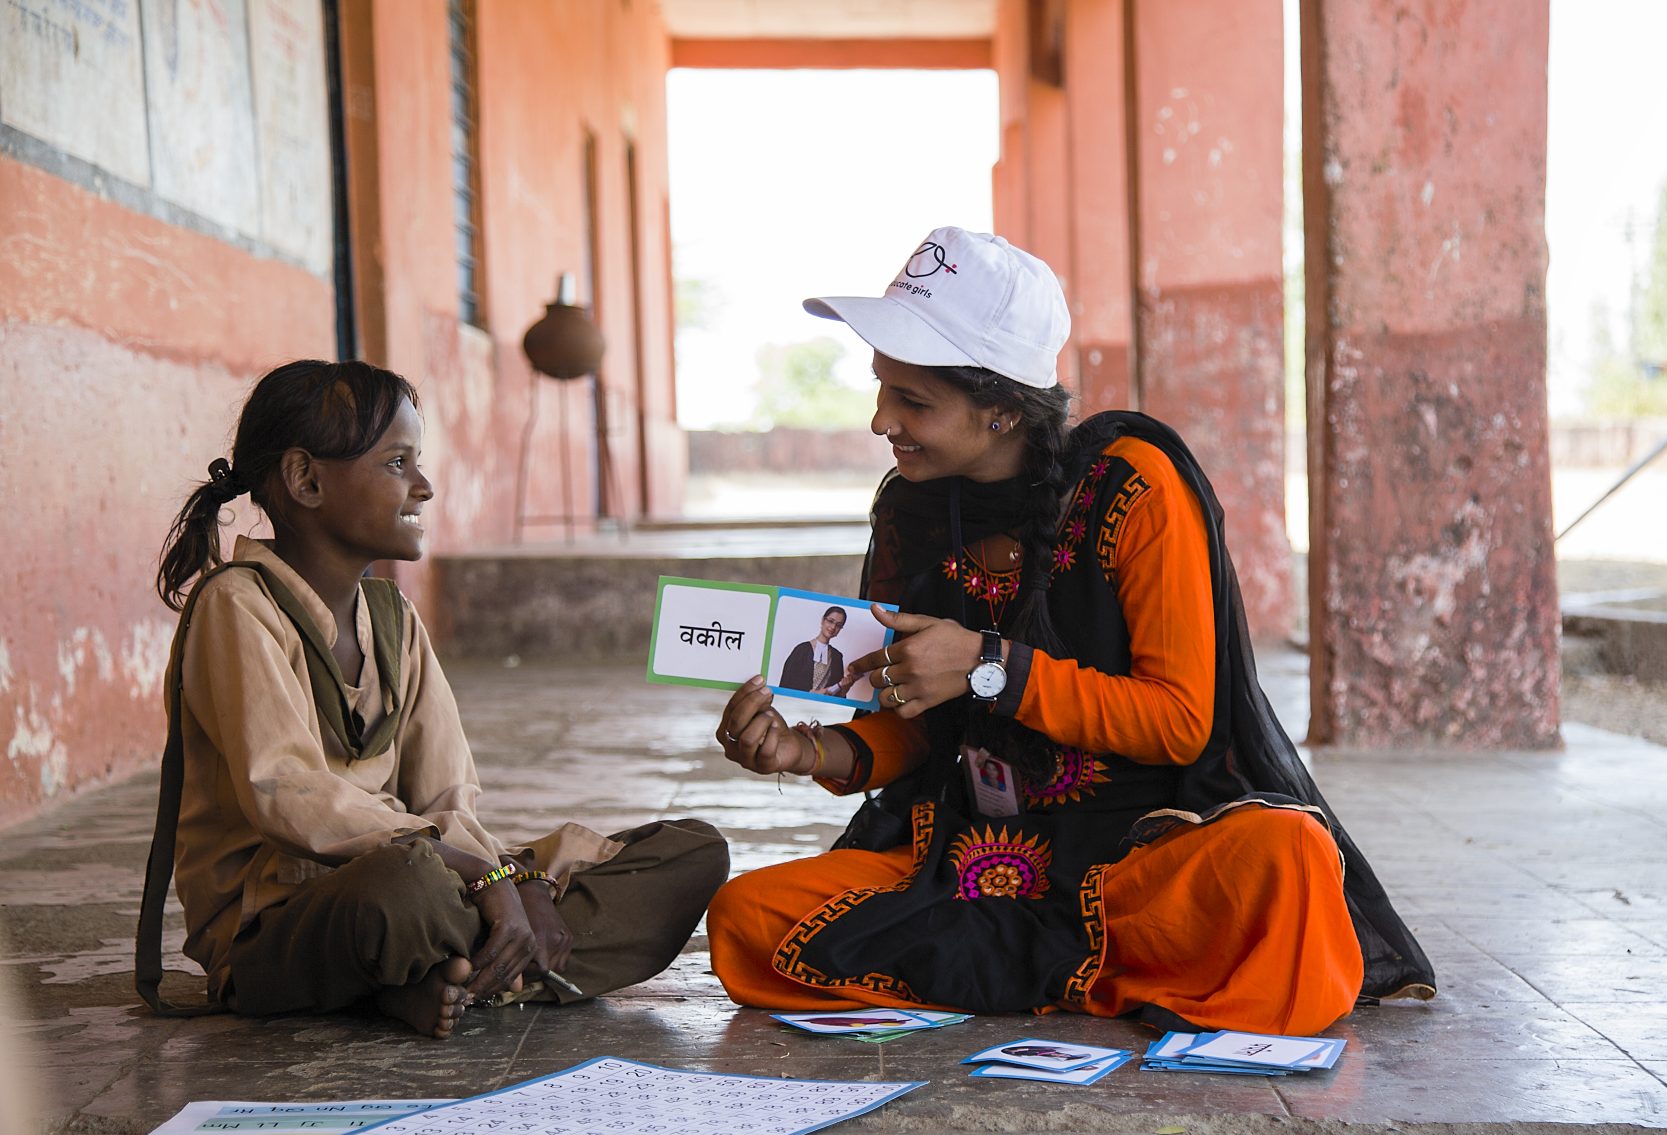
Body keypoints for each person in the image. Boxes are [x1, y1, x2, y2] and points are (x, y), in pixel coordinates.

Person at [707, 227, 1434, 1036]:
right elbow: (918, 731)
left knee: (1288, 862)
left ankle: (1021, 969)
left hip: (1141, 859)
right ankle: (1115, 977)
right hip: (979, 858)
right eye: (882, 389)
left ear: (1003, 409)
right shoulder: (912, 507)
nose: (883, 422)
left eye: (914, 401)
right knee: (746, 915)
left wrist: (991, 666)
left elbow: (1180, 722)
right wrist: (803, 752)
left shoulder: (1135, 486)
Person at [137, 359, 728, 1038]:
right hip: (287, 921)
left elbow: (449, 799)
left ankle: (446, 974)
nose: (424, 487)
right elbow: (286, 796)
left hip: (431, 879)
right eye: (397, 464)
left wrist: (511, 878)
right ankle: (499, 966)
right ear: (306, 480)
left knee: (691, 851)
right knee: (402, 888)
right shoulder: (237, 604)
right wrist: (485, 878)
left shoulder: (393, 619)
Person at [777, 606, 854, 696]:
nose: (833, 627)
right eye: (830, 621)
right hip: (796, 704)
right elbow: (785, 685)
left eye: (838, 625)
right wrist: (813, 693)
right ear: (823, 620)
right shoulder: (801, 650)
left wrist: (845, 688)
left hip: (822, 707)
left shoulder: (837, 657)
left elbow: (838, 697)